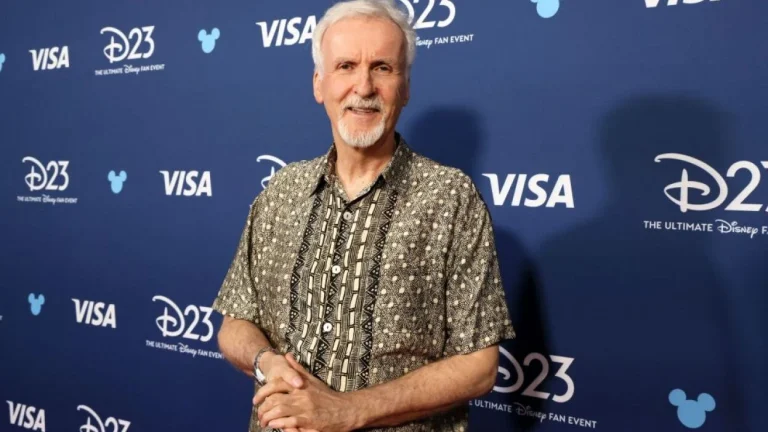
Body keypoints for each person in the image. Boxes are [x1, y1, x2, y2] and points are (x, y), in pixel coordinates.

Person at [211, 0, 516, 430]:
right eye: (346, 66)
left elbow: (479, 366)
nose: (364, 86)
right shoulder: (281, 191)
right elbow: (235, 322)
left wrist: (349, 410)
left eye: (382, 68)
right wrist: (267, 362)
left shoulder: (451, 198)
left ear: (405, 87)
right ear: (319, 84)